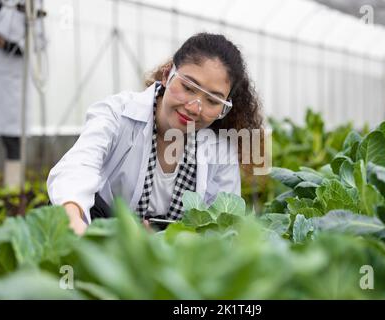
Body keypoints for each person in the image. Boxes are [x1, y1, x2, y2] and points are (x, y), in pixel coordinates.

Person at [47, 32, 264, 235]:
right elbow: (78, 167)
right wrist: (75, 221)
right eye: (188, 87)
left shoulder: (220, 150)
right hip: (105, 241)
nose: (194, 108)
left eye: (212, 101)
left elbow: (224, 225)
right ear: (167, 74)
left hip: (172, 260)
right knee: (60, 210)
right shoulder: (116, 113)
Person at [0, 0, 46, 187]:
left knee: (12, 138)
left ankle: (12, 190)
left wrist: (9, 45)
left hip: (11, 78)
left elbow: (39, 39)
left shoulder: (31, 3)